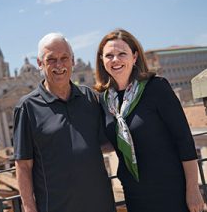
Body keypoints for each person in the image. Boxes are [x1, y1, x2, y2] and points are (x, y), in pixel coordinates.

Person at [94, 28, 205, 212]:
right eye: (109, 55)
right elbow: (113, 141)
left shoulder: (157, 88)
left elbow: (184, 140)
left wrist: (193, 189)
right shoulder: (104, 100)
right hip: (135, 194)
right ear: (102, 60)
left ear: (135, 57)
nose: (115, 60)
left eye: (122, 53)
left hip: (171, 190)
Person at [13, 33, 115, 212]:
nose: (59, 65)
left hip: (101, 203)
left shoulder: (91, 98)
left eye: (64, 58)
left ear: (72, 61)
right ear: (40, 63)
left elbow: (108, 141)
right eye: (51, 59)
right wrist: (29, 208)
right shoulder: (26, 107)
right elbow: (23, 165)